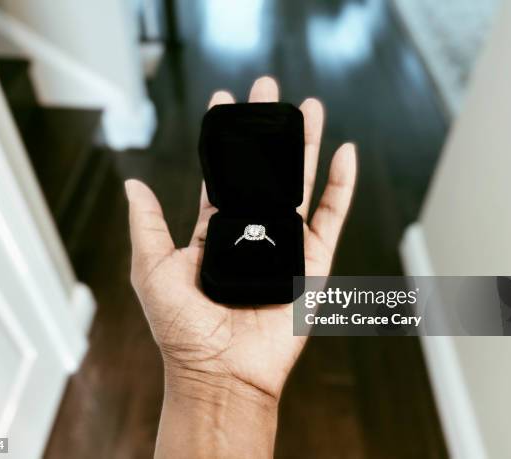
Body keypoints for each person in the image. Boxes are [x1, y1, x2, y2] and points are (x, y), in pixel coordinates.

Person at [124, 76, 357, 458]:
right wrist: (206, 380)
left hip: (266, 231)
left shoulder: (272, 229)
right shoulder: (231, 229)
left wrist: (210, 386)